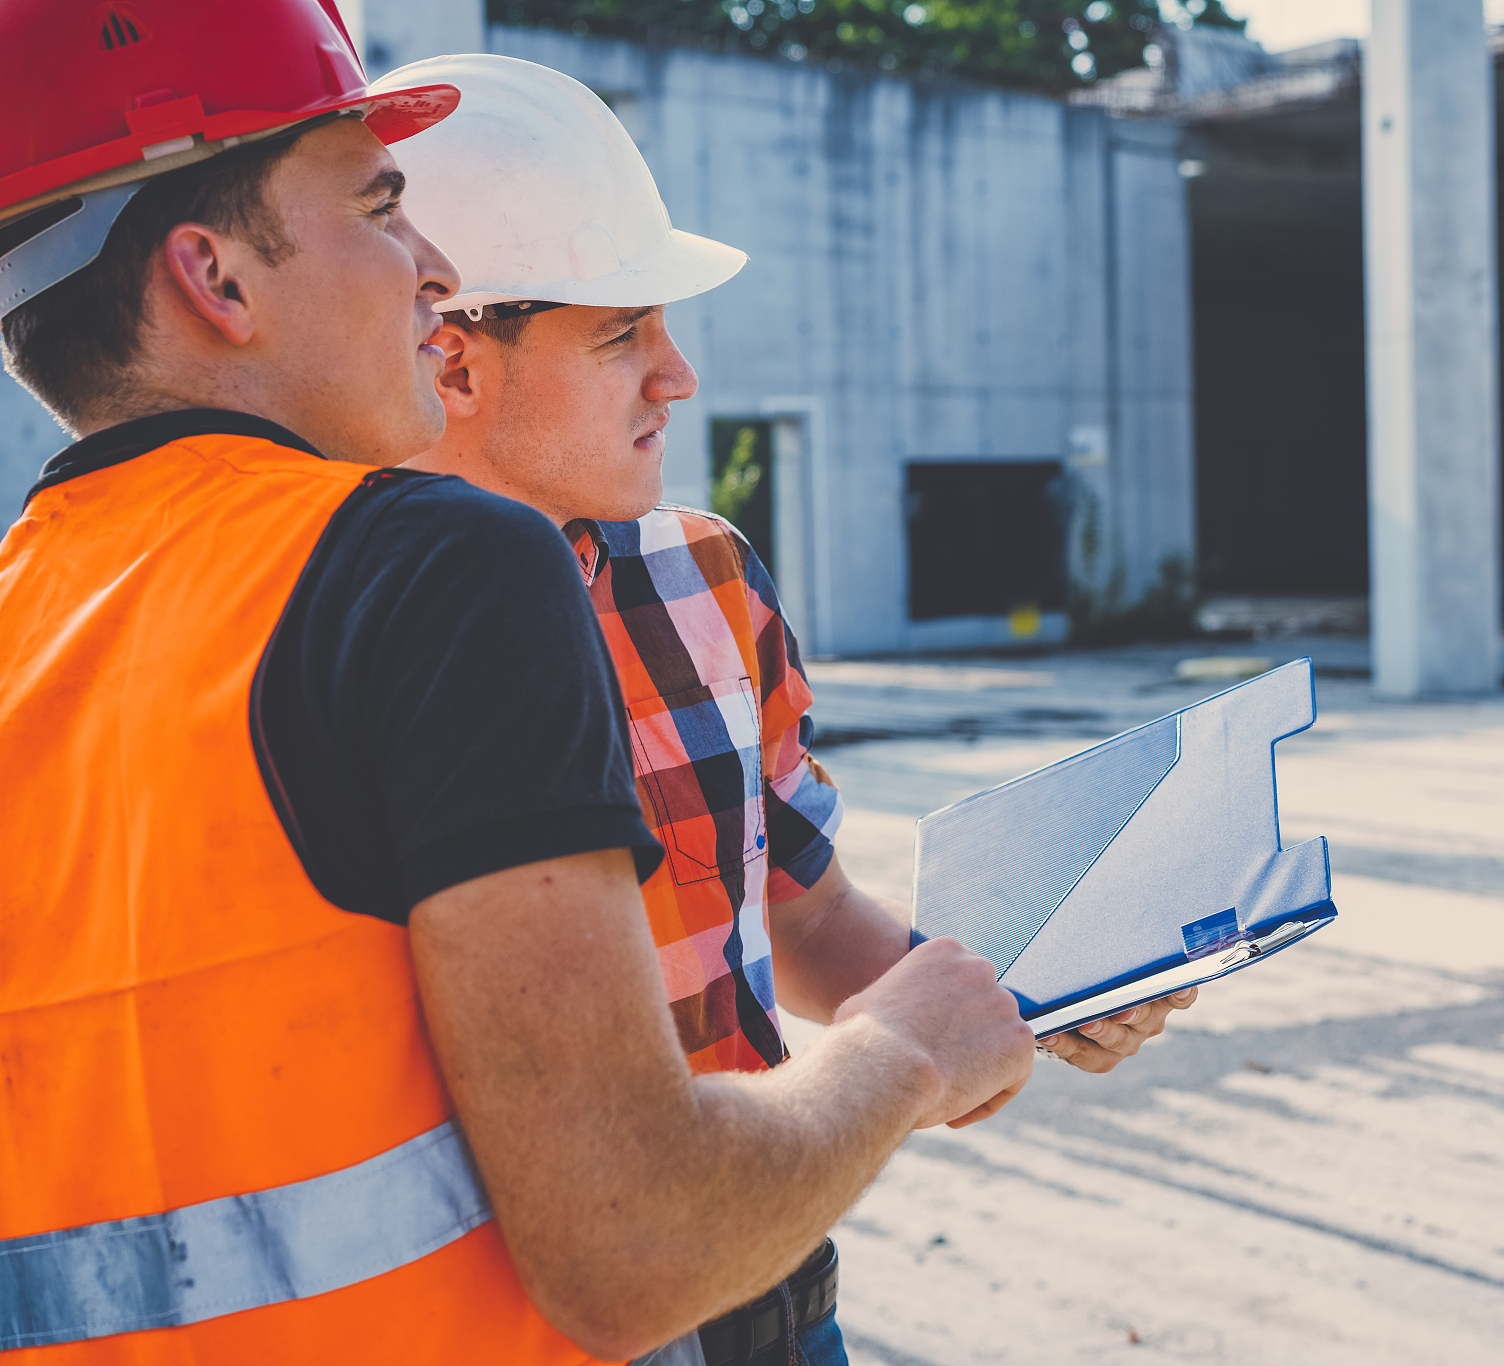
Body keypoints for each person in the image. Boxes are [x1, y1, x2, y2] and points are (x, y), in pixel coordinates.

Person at [0, 5, 1033, 1363]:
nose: (425, 267)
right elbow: (634, 1240)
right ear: (216, 278)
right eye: (378, 208)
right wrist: (899, 1056)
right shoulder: (432, 568)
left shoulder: (35, 619)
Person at [371, 54, 1198, 1366]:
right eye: (622, 331)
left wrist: (1023, 996)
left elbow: (800, 912)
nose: (679, 374)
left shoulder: (703, 574)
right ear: (453, 362)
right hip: (515, 1319)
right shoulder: (342, 629)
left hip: (770, 1276)